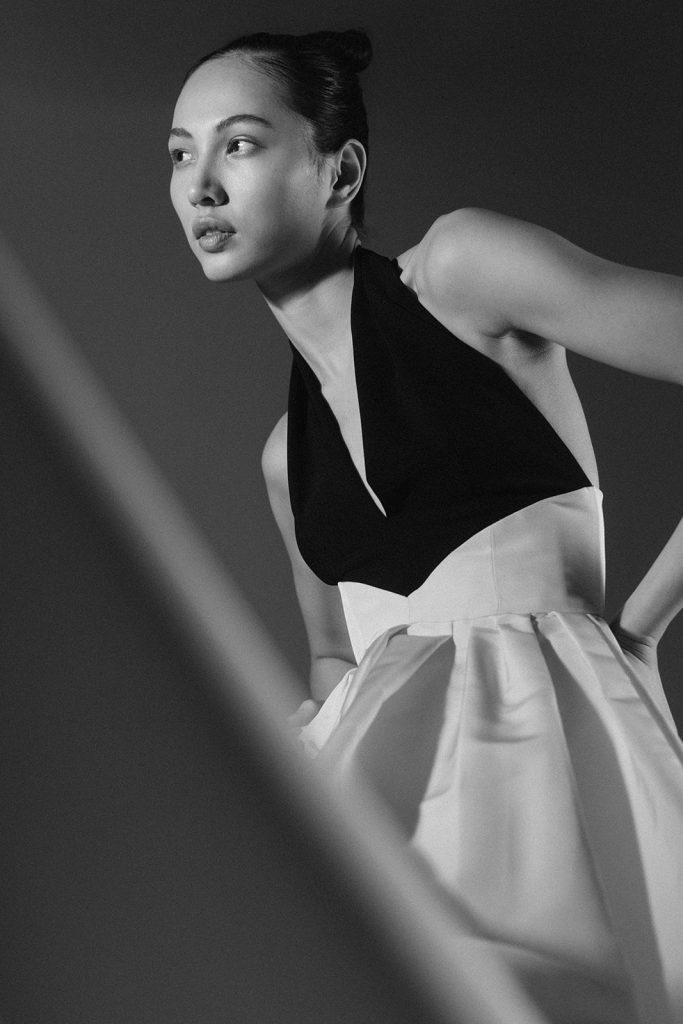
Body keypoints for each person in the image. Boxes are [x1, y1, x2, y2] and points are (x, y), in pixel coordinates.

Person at [169, 29, 683, 1024]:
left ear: (340, 170)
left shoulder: (458, 273)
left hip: (555, 798)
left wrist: (639, 629)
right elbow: (336, 663)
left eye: (238, 144)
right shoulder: (283, 460)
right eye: (180, 154)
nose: (201, 186)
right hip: (388, 833)